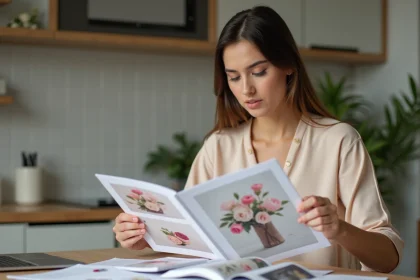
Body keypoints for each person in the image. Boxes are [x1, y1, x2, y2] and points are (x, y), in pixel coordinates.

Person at [112, 5, 403, 273]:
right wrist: (148, 237)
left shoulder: (338, 142)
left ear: (289, 65)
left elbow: (388, 258)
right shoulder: (218, 147)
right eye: (234, 77)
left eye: (259, 72)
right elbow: (195, 243)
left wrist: (338, 228)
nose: (246, 89)